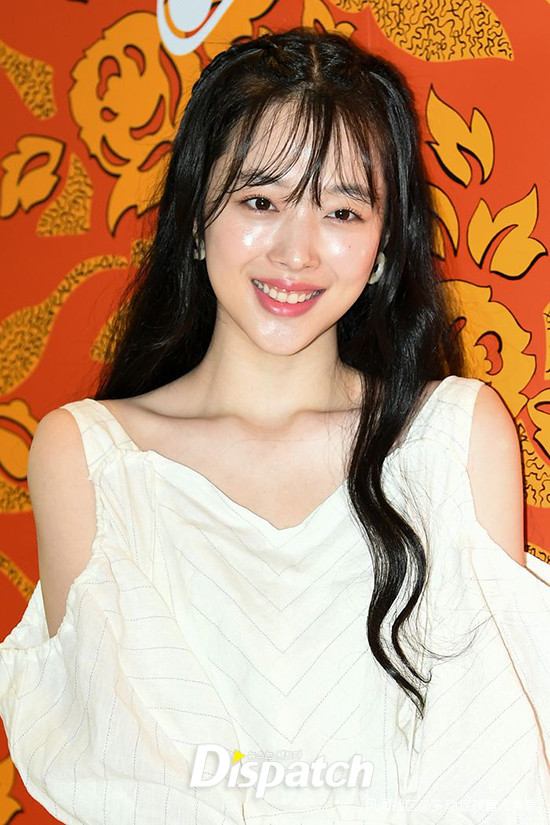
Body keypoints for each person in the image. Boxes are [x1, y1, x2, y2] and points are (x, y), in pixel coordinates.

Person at [1, 26, 549, 825]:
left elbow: (490, 764)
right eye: (260, 201)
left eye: (342, 210)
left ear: (384, 246)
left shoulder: (451, 440)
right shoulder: (90, 456)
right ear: (196, 216)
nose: (297, 251)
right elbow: (128, 778)